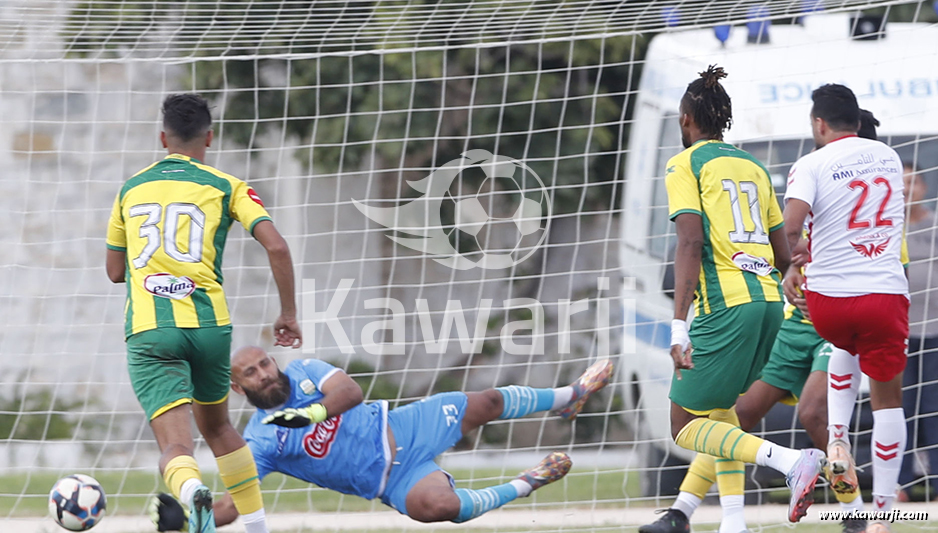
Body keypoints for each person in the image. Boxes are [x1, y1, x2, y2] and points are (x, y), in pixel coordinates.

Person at [641, 110, 889, 533]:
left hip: (833, 318)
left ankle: (858, 515)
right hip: (789, 317)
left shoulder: (873, 202)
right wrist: (791, 266)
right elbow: (786, 244)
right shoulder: (806, 178)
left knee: (813, 412)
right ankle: (692, 512)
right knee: (735, 411)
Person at [106, 94, 303, 533]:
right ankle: (256, 526)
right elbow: (278, 246)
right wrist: (287, 313)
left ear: (162, 138)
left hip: (151, 330)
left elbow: (115, 271)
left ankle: (192, 490)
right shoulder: (227, 185)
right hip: (209, 327)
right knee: (218, 428)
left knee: (176, 445)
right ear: (209, 137)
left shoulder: (130, 189)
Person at [151, 347, 613, 528]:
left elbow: (350, 392)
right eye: (250, 373)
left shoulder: (306, 373)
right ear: (238, 387)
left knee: (488, 401)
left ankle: (568, 396)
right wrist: (197, 515)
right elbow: (238, 502)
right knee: (441, 510)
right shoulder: (262, 440)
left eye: (265, 363)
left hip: (404, 425)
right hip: (390, 481)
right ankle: (529, 482)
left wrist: (309, 414)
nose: (264, 374)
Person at [664, 65, 826, 530]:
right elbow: (783, 253)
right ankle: (733, 522)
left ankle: (791, 461)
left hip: (726, 307)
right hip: (771, 303)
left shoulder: (685, 163)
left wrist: (679, 326)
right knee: (723, 413)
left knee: (683, 426)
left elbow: (690, 242)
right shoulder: (753, 165)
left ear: (687, 121)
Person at [782, 84, 908, 533]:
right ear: (858, 121)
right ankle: (882, 516)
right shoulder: (890, 159)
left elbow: (790, 228)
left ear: (819, 124)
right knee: (888, 404)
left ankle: (837, 436)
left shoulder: (810, 164)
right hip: (883, 293)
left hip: (828, 301)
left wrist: (791, 264)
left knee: (842, 342)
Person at [898, 161, 938, 501]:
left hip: (935, 334)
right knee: (900, 410)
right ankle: (900, 485)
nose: (907, 190)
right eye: (901, 184)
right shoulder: (891, 228)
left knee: (934, 410)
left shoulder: (935, 225)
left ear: (924, 188)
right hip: (901, 335)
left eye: (913, 183)